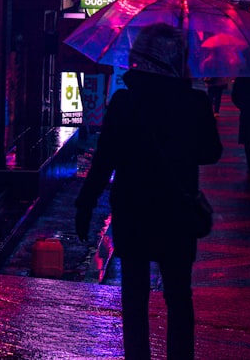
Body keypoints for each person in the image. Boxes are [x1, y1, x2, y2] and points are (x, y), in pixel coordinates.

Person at [75, 23, 223, 360]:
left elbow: (104, 160)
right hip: (177, 213)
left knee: (135, 294)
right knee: (179, 296)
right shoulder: (194, 101)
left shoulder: (125, 101)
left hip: (133, 211)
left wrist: (84, 203)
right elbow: (211, 152)